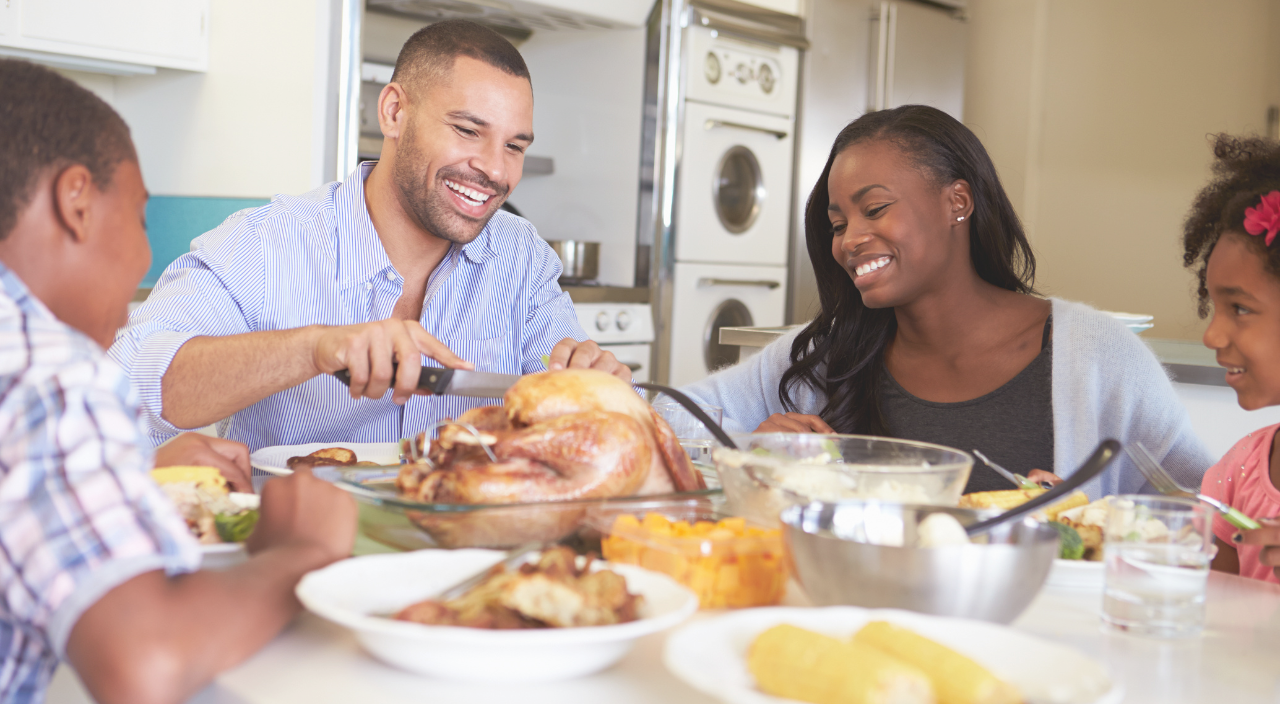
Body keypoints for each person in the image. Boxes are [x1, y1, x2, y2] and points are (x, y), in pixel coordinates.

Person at [0, 59, 357, 704]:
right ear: (76, 199)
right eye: (138, 218)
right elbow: (146, 663)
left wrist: (133, 471)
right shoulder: (55, 371)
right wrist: (302, 552)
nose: (143, 255)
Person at [109, 20, 622, 452]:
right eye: (468, 131)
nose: (494, 170)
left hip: (473, 556)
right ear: (395, 112)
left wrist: (596, 387)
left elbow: (580, 417)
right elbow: (123, 387)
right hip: (304, 556)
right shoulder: (267, 246)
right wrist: (314, 348)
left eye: (514, 146)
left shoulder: (521, 257)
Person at [681, 105, 1211, 496]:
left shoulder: (1098, 357)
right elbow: (668, 419)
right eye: (838, 223)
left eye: (875, 209)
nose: (849, 240)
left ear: (957, 201)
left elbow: (1204, 517)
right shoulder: (829, 353)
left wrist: (1090, 523)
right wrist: (746, 446)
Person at [1186, 136, 1280, 583]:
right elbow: (1217, 616)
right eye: (1215, 306)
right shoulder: (1240, 470)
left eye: (1239, 308)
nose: (1212, 334)